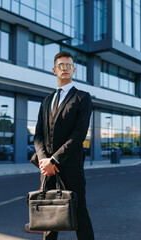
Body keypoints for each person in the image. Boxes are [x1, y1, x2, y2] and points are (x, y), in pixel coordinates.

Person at [34, 51, 95, 240]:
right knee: (48, 218)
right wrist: (44, 160)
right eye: (61, 65)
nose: (65, 68)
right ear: (54, 70)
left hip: (71, 166)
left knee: (79, 213)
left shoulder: (83, 98)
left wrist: (55, 159)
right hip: (47, 169)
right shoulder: (46, 100)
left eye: (69, 65)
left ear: (74, 70)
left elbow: (79, 134)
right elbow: (38, 135)